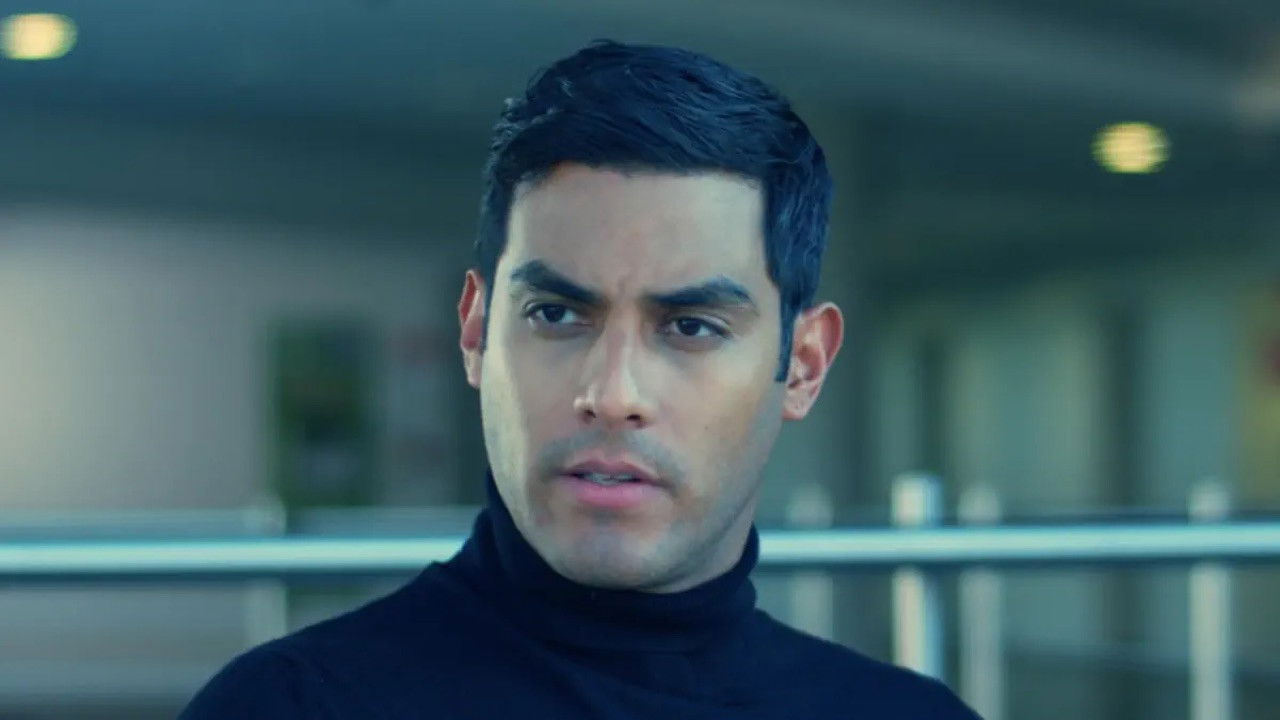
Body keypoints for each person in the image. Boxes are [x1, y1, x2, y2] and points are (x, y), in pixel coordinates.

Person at [180, 40, 980, 719]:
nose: (613, 393)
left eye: (691, 327)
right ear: (475, 332)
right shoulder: (290, 707)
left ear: (802, 366)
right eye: (557, 314)